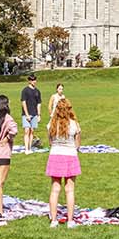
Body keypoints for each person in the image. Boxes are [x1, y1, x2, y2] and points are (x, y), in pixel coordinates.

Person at [45, 97, 82, 227]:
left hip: (55, 155)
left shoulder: (51, 124)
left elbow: (50, 142)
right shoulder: (74, 124)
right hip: (70, 156)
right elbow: (77, 144)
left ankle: (53, 220)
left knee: (55, 189)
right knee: (70, 189)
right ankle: (70, 221)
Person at [20, 74, 42, 154]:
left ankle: (30, 148)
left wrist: (39, 115)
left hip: (35, 114)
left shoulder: (37, 91)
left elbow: (39, 103)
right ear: (29, 81)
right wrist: (26, 114)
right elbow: (23, 102)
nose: (34, 82)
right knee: (26, 130)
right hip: (26, 114)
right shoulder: (25, 90)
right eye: (32, 80)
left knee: (32, 131)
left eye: (35, 80)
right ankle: (26, 149)